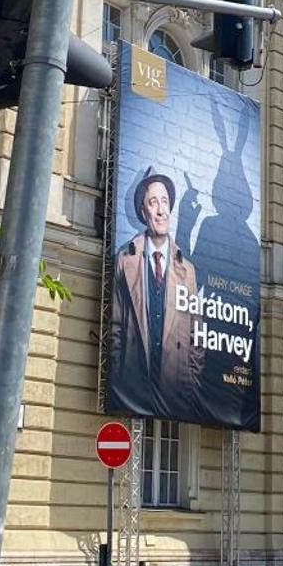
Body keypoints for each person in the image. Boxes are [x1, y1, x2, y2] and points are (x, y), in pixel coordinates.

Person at [110, 168, 204, 421]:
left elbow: (197, 336)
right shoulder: (124, 260)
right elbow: (116, 327)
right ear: (144, 212)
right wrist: (120, 377)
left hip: (175, 389)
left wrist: (190, 386)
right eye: (153, 202)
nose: (161, 210)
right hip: (133, 386)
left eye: (165, 201)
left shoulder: (189, 270)